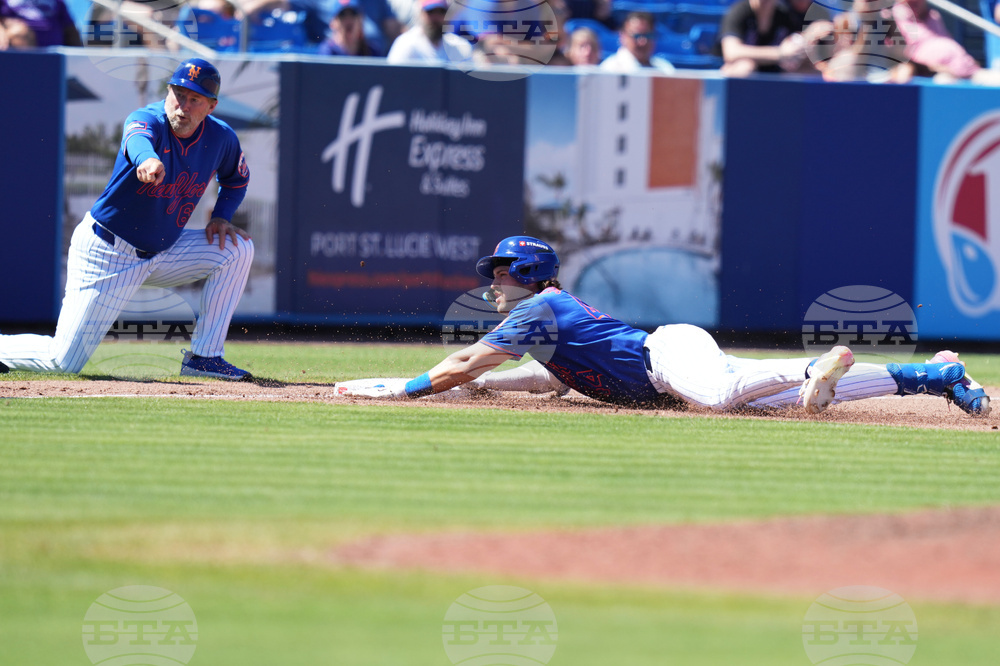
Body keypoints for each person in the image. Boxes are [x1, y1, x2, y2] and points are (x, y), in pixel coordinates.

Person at [333, 236, 991, 418]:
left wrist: (409, 389)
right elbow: (542, 381)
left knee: (720, 396)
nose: (493, 284)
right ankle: (938, 375)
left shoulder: (539, 308)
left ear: (530, 277)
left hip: (666, 355)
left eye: (503, 274)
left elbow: (462, 364)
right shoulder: (550, 325)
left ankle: (809, 367)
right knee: (791, 406)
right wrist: (475, 389)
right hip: (671, 364)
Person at [0, 59, 255, 380]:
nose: (183, 106)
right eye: (178, 93)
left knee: (237, 249)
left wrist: (221, 216)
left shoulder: (221, 138)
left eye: (195, 99)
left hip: (163, 251)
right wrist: (147, 158)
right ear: (168, 92)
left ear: (211, 106)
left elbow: (236, 180)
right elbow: (137, 139)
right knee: (63, 361)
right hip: (107, 252)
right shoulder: (147, 119)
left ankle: (204, 358)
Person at [892, 0, 1000, 84]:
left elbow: (949, 44)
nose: (916, 2)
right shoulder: (895, 14)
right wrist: (940, 68)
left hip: (971, 72)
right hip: (935, 77)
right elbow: (899, 57)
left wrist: (965, 60)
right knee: (945, 81)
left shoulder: (933, 15)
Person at [716, 0, 815, 76]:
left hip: (773, 70)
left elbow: (796, 43)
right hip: (730, 69)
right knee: (745, 67)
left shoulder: (784, 15)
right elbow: (731, 52)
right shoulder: (739, 12)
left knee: (809, 70)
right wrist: (779, 53)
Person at [386, 0, 471, 63]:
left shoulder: (461, 47)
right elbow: (392, 80)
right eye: (430, 12)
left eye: (441, 12)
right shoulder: (405, 44)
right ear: (420, 13)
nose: (435, 18)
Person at [599, 11, 675, 73]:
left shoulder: (665, 69)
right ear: (623, 36)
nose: (642, 42)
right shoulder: (609, 69)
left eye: (647, 35)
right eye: (636, 36)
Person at [0, 0, 81, 47]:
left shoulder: (57, 2)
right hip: (14, 53)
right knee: (18, 32)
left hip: (53, 58)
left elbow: (70, 30)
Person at [319, 0, 383, 55]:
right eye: (342, 15)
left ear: (361, 20)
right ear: (333, 23)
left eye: (353, 14)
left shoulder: (373, 52)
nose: (348, 20)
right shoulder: (327, 52)